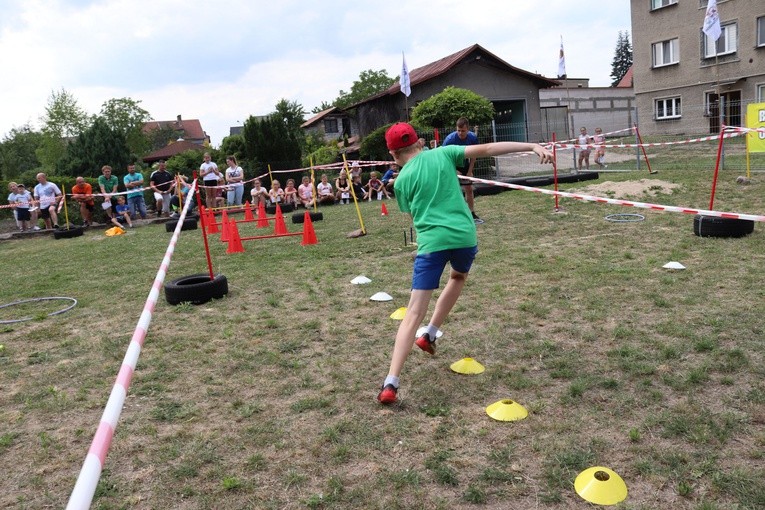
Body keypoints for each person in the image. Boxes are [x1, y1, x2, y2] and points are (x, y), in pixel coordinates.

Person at [376, 122, 553, 405]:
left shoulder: (401, 181)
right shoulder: (444, 153)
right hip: (463, 236)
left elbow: (412, 216)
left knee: (412, 313)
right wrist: (531, 145)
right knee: (457, 278)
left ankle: (391, 382)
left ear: (393, 154)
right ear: (419, 143)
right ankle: (430, 334)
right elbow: (488, 148)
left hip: (431, 244)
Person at [442, 117, 482, 224]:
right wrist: (453, 169)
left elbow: (474, 155)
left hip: (464, 164)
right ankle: (452, 214)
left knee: (469, 189)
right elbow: (443, 157)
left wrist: (470, 171)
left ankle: (471, 213)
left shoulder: (472, 138)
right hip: (451, 164)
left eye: (463, 131)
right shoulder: (450, 139)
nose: (460, 133)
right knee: (452, 191)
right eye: (458, 130)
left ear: (468, 129)